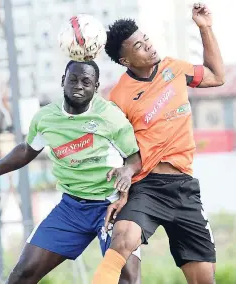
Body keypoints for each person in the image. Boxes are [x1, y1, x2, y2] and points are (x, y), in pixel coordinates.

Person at [0, 60, 142, 284]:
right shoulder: (45, 118)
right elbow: (26, 151)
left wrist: (127, 172)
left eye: (86, 82)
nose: (78, 85)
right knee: (23, 274)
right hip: (72, 209)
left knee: (125, 278)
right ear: (63, 82)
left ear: (96, 87)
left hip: (111, 206)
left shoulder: (111, 117)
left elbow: (134, 158)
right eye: (73, 79)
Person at [92, 3, 224, 284]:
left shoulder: (174, 68)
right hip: (147, 187)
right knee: (122, 239)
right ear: (126, 60)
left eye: (146, 39)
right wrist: (123, 190)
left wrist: (205, 28)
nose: (149, 47)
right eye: (138, 46)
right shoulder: (118, 98)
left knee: (204, 280)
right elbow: (121, 152)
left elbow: (216, 76)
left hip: (184, 187)